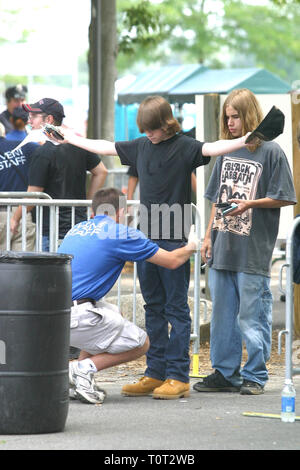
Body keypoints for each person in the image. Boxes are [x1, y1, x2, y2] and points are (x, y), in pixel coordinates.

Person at [48, 95, 251, 400]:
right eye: (144, 130)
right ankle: (155, 372)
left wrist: (249, 138)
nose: (148, 135)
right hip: (146, 238)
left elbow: (212, 148)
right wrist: (69, 137)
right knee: (153, 307)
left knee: (177, 309)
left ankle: (178, 375)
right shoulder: (142, 145)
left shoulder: (185, 146)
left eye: (152, 129)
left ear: (166, 124)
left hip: (174, 234)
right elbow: (105, 147)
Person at [192, 88, 296, 395]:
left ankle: (255, 374)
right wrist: (208, 235)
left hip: (252, 249)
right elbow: (215, 197)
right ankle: (226, 373)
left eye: (236, 116)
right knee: (223, 314)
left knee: (252, 315)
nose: (231, 122)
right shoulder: (226, 150)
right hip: (223, 245)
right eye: (227, 117)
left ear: (249, 114)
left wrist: (250, 204)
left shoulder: (272, 152)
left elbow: (285, 197)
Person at [58, 187, 200, 404]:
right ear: (121, 212)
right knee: (140, 343)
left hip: (55, 314)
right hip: (79, 317)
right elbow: (172, 261)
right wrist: (191, 246)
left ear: (93, 211)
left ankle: (76, 377)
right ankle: (81, 368)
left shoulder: (76, 229)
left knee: (110, 312)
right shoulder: (119, 232)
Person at [10, 98, 108, 251]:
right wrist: (87, 205)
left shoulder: (42, 153)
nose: (29, 121)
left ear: (48, 119)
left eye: (34, 116)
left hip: (51, 229)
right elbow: (101, 171)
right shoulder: (78, 144)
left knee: (49, 274)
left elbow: (33, 195)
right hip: (78, 226)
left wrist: (15, 218)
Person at [0, 127, 38, 250]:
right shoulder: (25, 147)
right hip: (23, 211)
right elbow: (49, 154)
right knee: (23, 264)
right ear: (3, 132)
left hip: (2, 211)